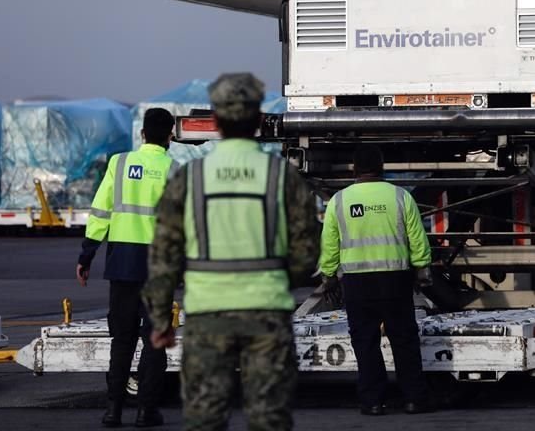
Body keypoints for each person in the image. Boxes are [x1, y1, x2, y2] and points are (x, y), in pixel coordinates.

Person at [142, 73, 320, 431]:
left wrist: (161, 320)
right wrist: (276, 280)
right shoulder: (280, 176)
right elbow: (307, 253)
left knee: (205, 418)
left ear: (217, 120)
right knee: (268, 417)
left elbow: (164, 255)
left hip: (208, 314)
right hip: (266, 313)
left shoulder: (190, 177)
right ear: (257, 120)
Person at [77, 107, 176, 428]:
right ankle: (147, 411)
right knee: (154, 340)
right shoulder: (174, 170)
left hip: (122, 265)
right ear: (170, 137)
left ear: (143, 134)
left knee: (122, 340)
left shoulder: (119, 164)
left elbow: (100, 212)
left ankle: (113, 410)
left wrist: (86, 255)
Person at [320, 145, 433, 416]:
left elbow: (329, 244)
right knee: (404, 339)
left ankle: (372, 401)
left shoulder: (338, 201)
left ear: (354, 168)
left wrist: (328, 275)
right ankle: (414, 399)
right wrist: (422, 269)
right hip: (395, 279)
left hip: (357, 283)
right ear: (382, 167)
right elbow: (417, 238)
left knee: (366, 342)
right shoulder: (400, 197)